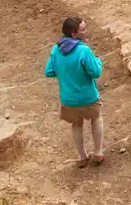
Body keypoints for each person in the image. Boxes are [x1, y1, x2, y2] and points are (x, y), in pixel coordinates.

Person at [44, 17, 104, 168]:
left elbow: (49, 71)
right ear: (73, 34)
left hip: (68, 100)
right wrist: (97, 60)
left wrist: (64, 72)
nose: (86, 31)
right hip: (87, 97)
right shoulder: (83, 50)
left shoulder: (56, 49)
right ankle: (98, 153)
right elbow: (95, 72)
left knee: (76, 125)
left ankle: (82, 157)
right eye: (83, 30)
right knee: (96, 119)